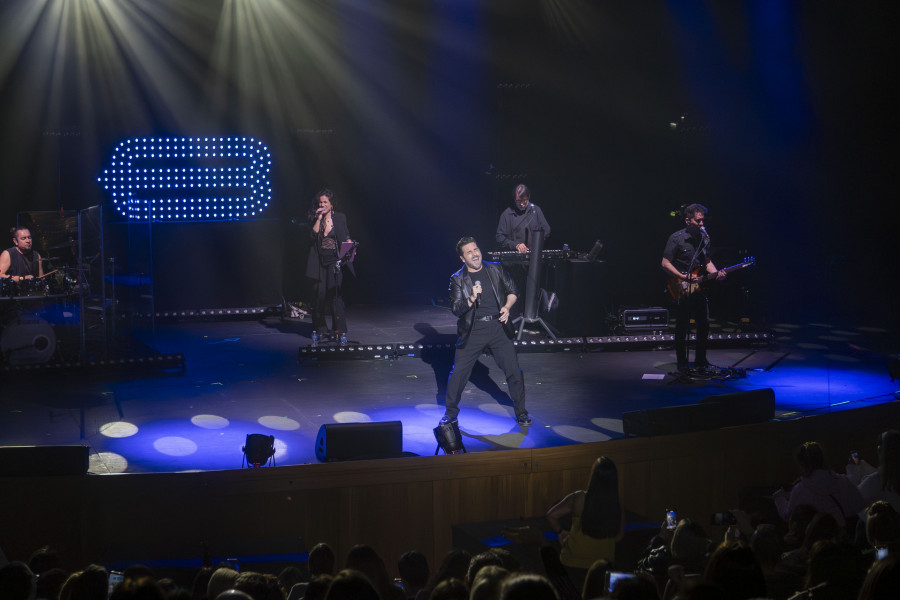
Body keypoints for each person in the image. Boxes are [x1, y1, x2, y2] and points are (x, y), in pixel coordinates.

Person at [440, 236, 530, 427]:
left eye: (476, 249)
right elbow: (457, 309)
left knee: (514, 371)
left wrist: (507, 307)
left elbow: (513, 290)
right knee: (458, 374)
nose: (474, 254)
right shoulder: (457, 279)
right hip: (473, 330)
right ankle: (450, 414)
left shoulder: (495, 269)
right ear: (462, 258)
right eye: (469, 252)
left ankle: (521, 413)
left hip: (498, 326)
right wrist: (472, 297)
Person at [661, 204, 724, 374]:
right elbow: (665, 263)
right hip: (681, 287)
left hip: (699, 287)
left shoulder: (705, 238)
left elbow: (707, 260)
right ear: (688, 220)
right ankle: (682, 363)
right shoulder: (676, 238)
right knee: (682, 326)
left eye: (703, 219)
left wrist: (716, 273)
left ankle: (700, 361)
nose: (702, 223)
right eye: (698, 220)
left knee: (704, 324)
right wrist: (683, 277)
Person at [305, 189, 354, 339]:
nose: (322, 204)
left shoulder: (340, 218)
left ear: (331, 204)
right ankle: (320, 328)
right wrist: (318, 217)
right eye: (320, 202)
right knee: (319, 296)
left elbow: (346, 235)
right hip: (319, 263)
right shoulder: (314, 218)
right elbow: (312, 235)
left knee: (335, 295)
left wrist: (350, 244)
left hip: (334, 262)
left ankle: (339, 329)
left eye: (325, 202)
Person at [495, 184, 551, 253]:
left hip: (534, 254)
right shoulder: (506, 214)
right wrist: (516, 245)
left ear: (528, 197)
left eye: (524, 200)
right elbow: (499, 237)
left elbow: (547, 230)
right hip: (514, 256)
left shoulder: (536, 210)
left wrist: (536, 243)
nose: (521, 204)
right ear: (514, 199)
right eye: (518, 201)